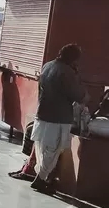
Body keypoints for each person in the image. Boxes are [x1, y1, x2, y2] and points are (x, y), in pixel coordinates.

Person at [30, 44, 87, 195]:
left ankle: (43, 177)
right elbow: (77, 95)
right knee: (53, 150)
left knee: (42, 147)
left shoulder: (47, 66)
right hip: (59, 117)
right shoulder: (67, 72)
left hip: (42, 113)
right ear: (74, 59)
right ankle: (41, 179)